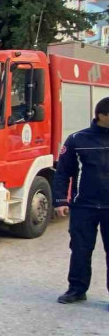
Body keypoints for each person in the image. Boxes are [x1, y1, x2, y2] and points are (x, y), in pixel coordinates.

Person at [54, 97, 109, 306]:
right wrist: (60, 200)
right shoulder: (77, 140)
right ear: (102, 115)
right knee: (80, 250)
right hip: (83, 206)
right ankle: (76, 289)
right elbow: (62, 172)